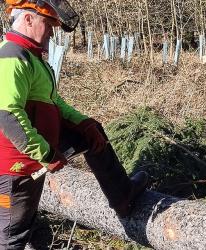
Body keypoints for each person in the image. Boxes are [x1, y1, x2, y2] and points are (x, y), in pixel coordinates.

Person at [0, 1, 149, 248]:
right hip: (16, 167)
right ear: (28, 19)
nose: (51, 32)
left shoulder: (32, 57)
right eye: (48, 25)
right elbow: (7, 115)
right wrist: (46, 154)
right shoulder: (12, 56)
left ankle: (123, 197)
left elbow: (54, 102)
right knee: (11, 235)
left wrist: (84, 124)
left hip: (33, 154)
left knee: (93, 134)